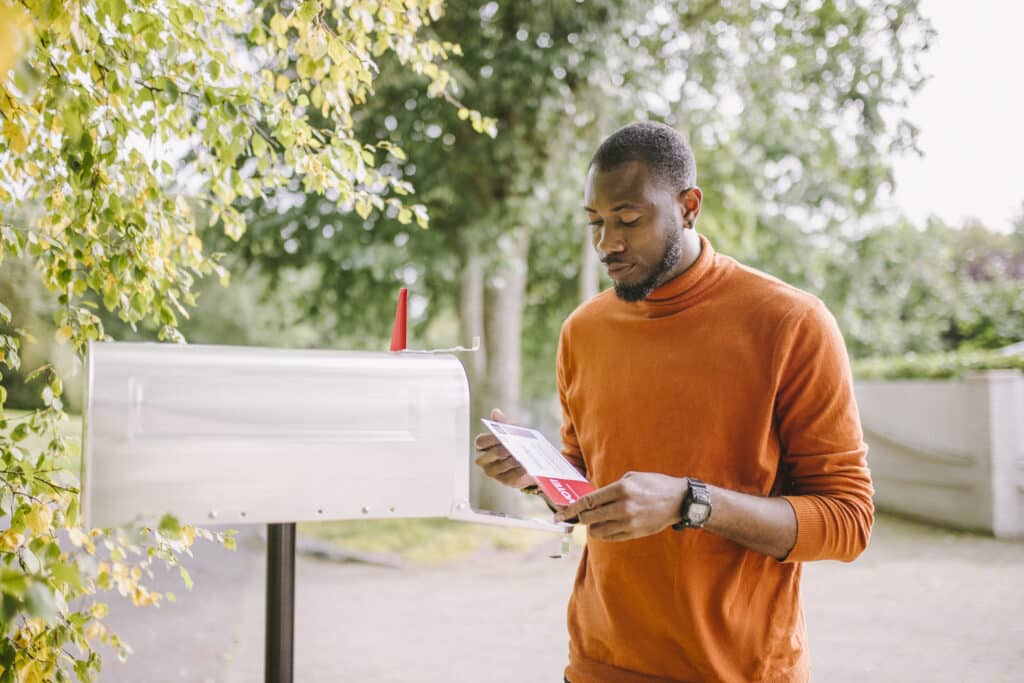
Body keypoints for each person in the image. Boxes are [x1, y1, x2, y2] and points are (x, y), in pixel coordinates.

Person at [473, 121, 873, 683]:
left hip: (739, 672)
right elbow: (589, 487)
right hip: (597, 665)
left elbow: (849, 521)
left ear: (688, 206)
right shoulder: (582, 331)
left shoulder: (790, 323)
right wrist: (539, 475)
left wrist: (692, 501)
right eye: (596, 223)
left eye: (629, 220)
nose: (607, 243)